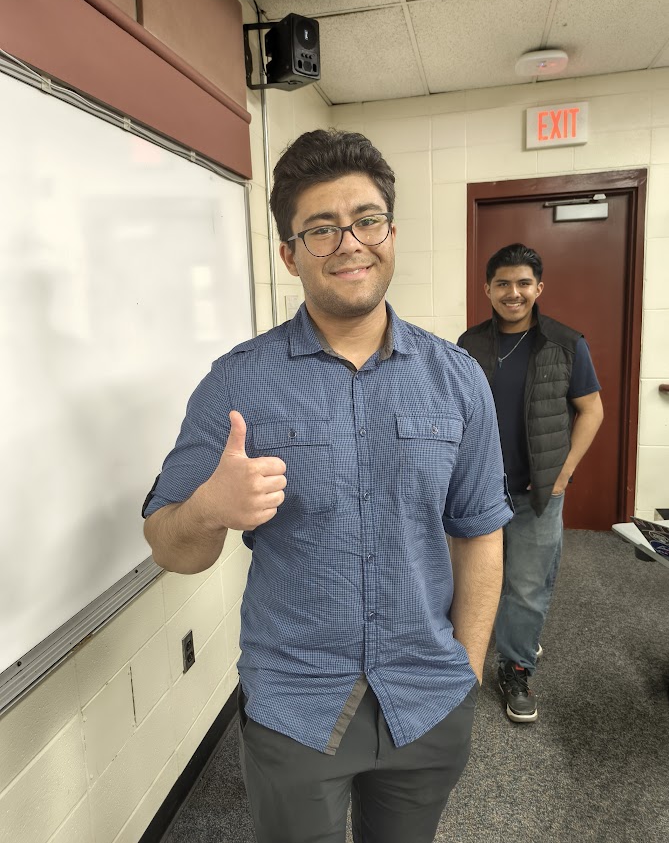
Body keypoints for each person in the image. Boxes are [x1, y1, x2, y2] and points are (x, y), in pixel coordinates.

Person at [142, 129, 513, 843]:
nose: (349, 242)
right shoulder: (236, 382)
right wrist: (210, 509)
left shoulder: (456, 377)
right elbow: (169, 546)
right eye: (321, 228)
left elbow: (479, 531)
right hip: (296, 704)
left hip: (427, 696)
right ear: (289, 253)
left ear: (391, 232)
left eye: (366, 220)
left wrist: (464, 677)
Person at [458, 244, 603, 724]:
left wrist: (563, 473)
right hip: (478, 491)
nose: (512, 293)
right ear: (488, 289)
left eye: (523, 283)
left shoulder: (564, 342)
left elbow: (591, 410)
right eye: (502, 283)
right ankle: (464, 663)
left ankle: (516, 666)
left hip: (536, 491)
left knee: (524, 586)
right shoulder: (470, 344)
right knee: (473, 580)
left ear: (538, 288)